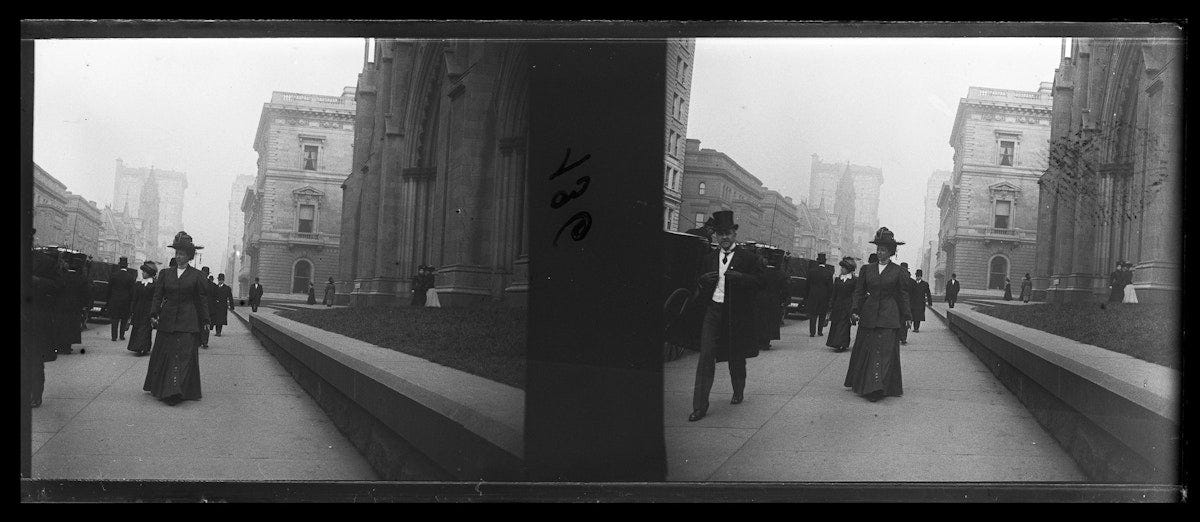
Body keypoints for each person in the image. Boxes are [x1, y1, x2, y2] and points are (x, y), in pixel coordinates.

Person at [688, 210, 763, 422]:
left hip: (736, 314)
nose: (724, 238)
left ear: (735, 234)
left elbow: (761, 283)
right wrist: (702, 279)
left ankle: (738, 389)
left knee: (736, 356)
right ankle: (699, 406)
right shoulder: (709, 258)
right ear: (716, 236)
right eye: (720, 234)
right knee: (705, 357)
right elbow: (696, 283)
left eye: (728, 233)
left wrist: (740, 277)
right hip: (713, 311)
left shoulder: (749, 259)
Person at [844, 227, 911, 402]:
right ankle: (868, 385)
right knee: (869, 350)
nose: (880, 252)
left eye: (883, 250)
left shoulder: (898, 271)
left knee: (885, 352)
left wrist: (907, 316)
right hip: (869, 315)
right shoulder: (867, 269)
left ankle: (878, 387)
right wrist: (855, 310)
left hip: (889, 316)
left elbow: (903, 295)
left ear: (891, 252)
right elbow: (858, 292)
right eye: (878, 249)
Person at [144, 231, 209, 405]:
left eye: (182, 254)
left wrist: (206, 321)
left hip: (188, 321)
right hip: (167, 320)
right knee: (166, 354)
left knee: (184, 356)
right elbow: (158, 296)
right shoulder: (166, 274)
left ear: (189, 256)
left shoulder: (197, 276)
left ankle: (177, 391)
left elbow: (201, 299)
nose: (178, 257)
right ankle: (165, 388)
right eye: (177, 253)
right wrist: (153, 313)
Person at [28, 251, 62, 407]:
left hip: (35, 320)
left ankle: (35, 395)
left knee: (34, 361)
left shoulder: (46, 261)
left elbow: (58, 287)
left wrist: (38, 281)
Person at [755, 251, 789, 351]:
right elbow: (785, 289)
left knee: (760, 319)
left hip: (760, 299)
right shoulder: (781, 274)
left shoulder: (761, 272)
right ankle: (766, 342)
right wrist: (783, 300)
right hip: (774, 300)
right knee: (771, 321)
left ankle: (759, 341)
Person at [825, 256, 857, 352]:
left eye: (843, 268)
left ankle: (842, 344)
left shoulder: (854, 280)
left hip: (848, 305)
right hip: (838, 305)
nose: (841, 269)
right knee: (836, 324)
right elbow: (834, 293)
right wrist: (831, 305)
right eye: (841, 267)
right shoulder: (838, 279)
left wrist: (854, 308)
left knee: (844, 325)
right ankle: (835, 343)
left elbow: (855, 294)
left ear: (848, 269)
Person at [126, 261, 158, 356]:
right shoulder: (139, 284)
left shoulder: (155, 285)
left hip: (149, 310)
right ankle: (136, 347)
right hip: (138, 309)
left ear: (150, 273)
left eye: (144, 272)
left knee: (145, 329)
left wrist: (155, 312)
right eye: (142, 271)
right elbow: (134, 298)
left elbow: (156, 299)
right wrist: (132, 310)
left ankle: (143, 348)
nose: (142, 273)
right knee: (137, 328)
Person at [106, 256, 138, 341]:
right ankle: (121, 335)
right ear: (127, 266)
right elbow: (132, 292)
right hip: (125, 301)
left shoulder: (113, 275)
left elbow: (109, 289)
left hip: (115, 300)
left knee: (114, 319)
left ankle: (114, 336)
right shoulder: (130, 277)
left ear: (119, 265)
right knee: (124, 319)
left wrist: (109, 300)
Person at [805, 253, 833, 338]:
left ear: (817, 261)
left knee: (813, 314)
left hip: (813, 295)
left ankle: (812, 332)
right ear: (825, 262)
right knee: (822, 314)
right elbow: (830, 288)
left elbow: (807, 285)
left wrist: (807, 296)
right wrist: (829, 298)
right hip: (824, 297)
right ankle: (820, 331)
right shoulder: (829, 273)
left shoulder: (811, 271)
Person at [898, 262, 913, 345]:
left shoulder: (895, 278)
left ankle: (900, 337)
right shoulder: (912, 282)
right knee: (905, 321)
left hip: (898, 303)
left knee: (899, 321)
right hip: (907, 304)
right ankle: (903, 338)